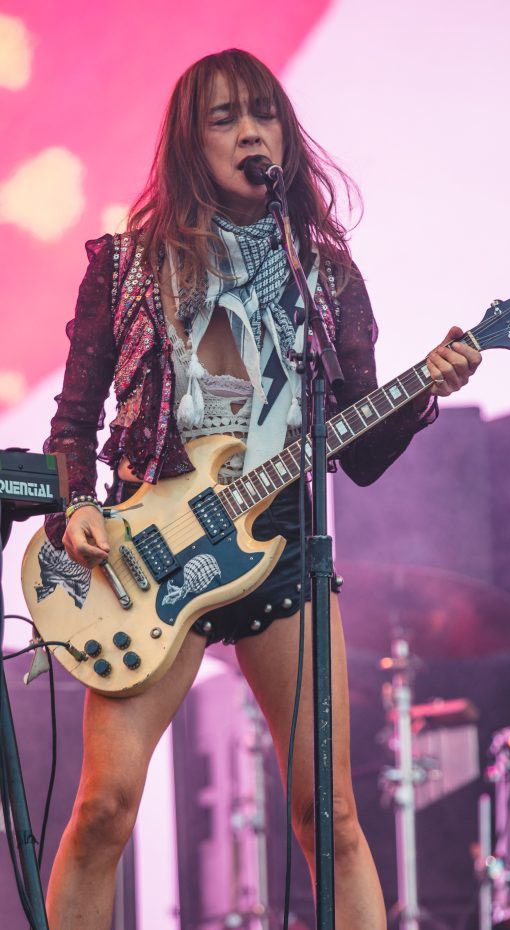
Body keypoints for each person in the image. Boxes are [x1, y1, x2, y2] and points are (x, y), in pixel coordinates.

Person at [42, 49, 482, 930]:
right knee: (102, 812)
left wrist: (425, 386)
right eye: (223, 118)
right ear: (189, 143)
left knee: (333, 817)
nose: (249, 131)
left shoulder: (324, 275)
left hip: (279, 548)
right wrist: (77, 504)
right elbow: (74, 418)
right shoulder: (129, 265)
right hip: (151, 557)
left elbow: (354, 445)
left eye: (263, 114)